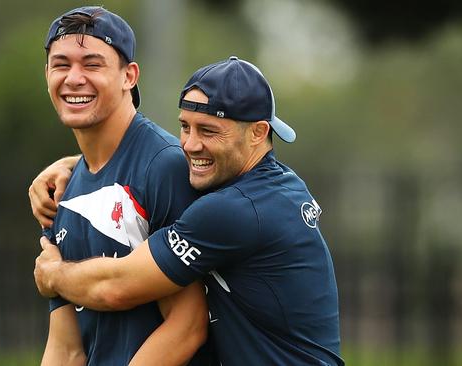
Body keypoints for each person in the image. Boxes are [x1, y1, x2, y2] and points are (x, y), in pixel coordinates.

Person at [32, 56, 345, 365]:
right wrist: (78, 165)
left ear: (258, 133)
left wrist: (53, 275)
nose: (190, 144)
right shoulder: (276, 185)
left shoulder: (233, 211)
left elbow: (116, 286)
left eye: (208, 131)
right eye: (185, 126)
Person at [32, 6, 211, 365]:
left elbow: (188, 324)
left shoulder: (164, 166)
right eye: (62, 64)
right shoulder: (59, 192)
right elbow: (66, 348)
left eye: (92, 64)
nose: (74, 78)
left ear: (129, 76)